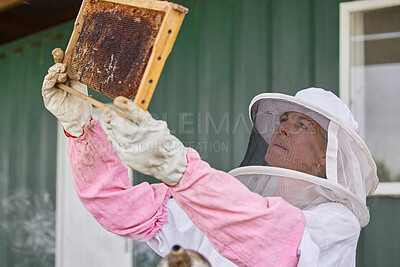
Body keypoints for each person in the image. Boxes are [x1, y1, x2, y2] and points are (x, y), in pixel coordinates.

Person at [42, 53, 379, 267]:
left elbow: (272, 239)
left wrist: (179, 168)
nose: (283, 130)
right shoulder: (228, 203)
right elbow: (120, 207)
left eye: (302, 124)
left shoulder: (336, 223)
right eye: (282, 120)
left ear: (327, 155)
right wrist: (80, 126)